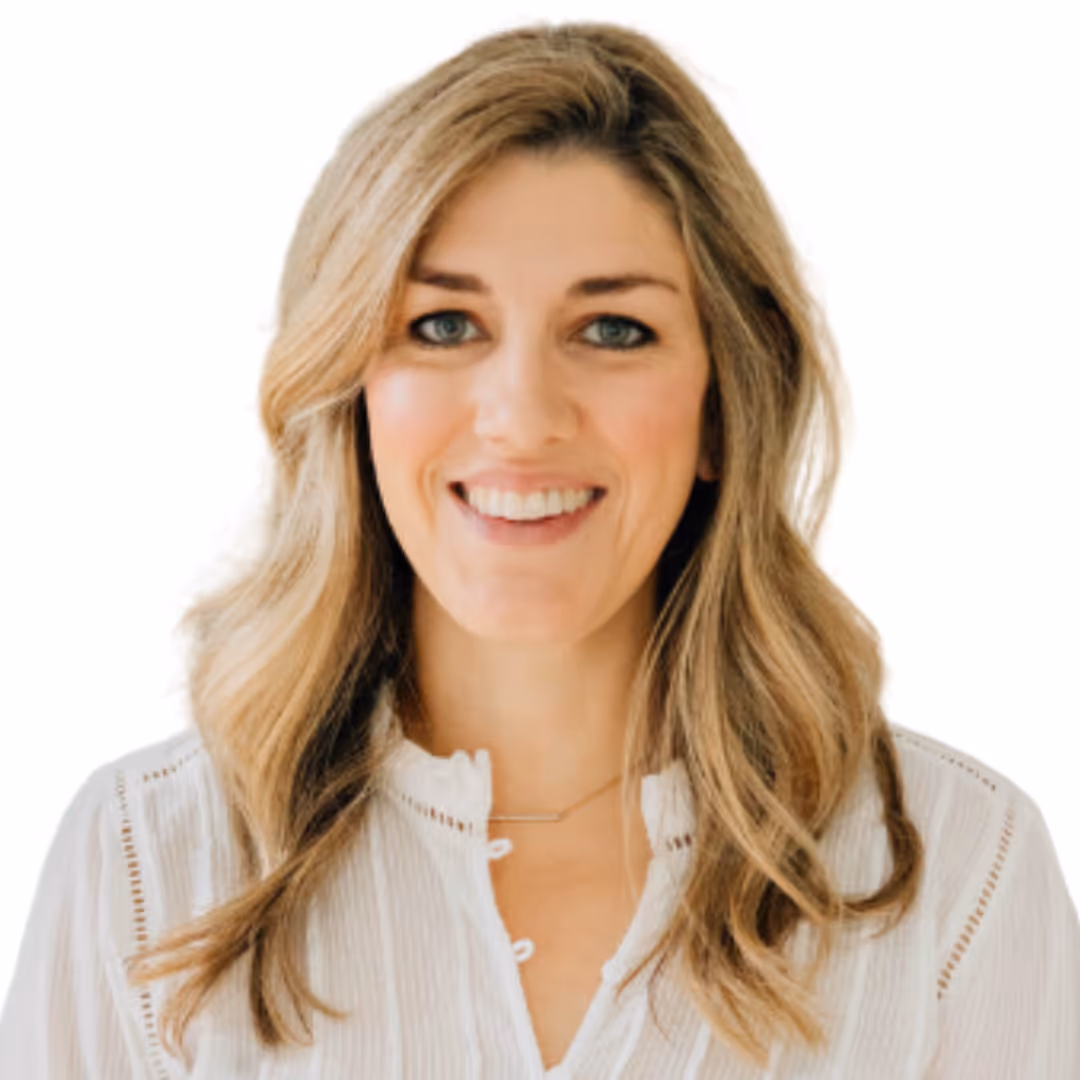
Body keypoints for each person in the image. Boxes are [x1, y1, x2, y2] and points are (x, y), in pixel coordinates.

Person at [1, 19, 1077, 1080]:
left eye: (612, 330)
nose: (521, 417)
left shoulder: (957, 878)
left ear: (720, 408)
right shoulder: (146, 866)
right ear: (353, 391)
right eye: (441, 326)